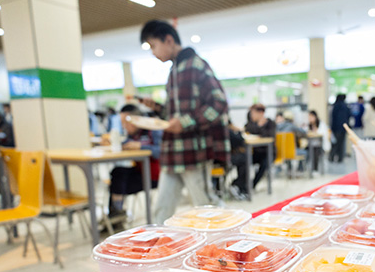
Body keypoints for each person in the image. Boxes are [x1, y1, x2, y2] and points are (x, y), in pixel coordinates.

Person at [139, 19, 230, 224]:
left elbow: (219, 103)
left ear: (169, 40)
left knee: (205, 206)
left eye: (153, 46)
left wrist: (186, 122)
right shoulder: (174, 70)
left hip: (193, 151)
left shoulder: (196, 65)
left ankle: (225, 238)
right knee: (162, 208)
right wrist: (157, 108)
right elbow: (175, 115)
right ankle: (159, 242)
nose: (153, 52)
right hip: (172, 152)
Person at [104, 104, 162, 230]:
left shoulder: (153, 129)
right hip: (140, 172)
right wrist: (115, 142)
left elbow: (161, 151)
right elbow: (126, 143)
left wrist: (140, 146)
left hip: (155, 176)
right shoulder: (133, 134)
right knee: (117, 173)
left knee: (118, 180)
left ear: (137, 119)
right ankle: (116, 213)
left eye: (127, 122)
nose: (124, 126)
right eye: (122, 123)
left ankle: (116, 214)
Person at [245, 103, 276, 189]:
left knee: (264, 164)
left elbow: (270, 136)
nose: (252, 115)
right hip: (256, 152)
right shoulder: (251, 123)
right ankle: (241, 185)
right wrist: (258, 126)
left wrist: (260, 127)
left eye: (253, 113)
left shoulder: (270, 123)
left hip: (268, 152)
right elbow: (247, 130)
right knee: (244, 160)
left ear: (261, 113)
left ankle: (252, 185)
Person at [328, 94, 351, 163]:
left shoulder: (335, 106)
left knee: (335, 143)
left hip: (336, 128)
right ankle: (340, 158)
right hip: (344, 128)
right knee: (341, 144)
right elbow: (349, 116)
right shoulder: (345, 106)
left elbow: (333, 117)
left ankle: (331, 157)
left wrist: (332, 128)